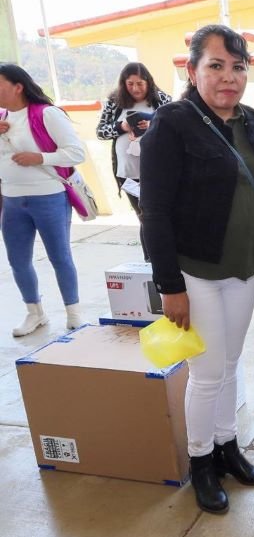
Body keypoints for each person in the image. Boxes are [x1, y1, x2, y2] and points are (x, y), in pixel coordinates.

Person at [140, 24, 254, 514]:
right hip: (195, 272)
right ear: (192, 69)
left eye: (238, 66)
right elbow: (153, 211)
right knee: (207, 373)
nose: (229, 77)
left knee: (230, 365)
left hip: (242, 269)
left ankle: (226, 448)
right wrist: (169, 286)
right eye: (216, 66)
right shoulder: (172, 124)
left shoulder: (253, 122)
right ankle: (200, 461)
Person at [0, 63, 85, 337]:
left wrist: (40, 158)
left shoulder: (46, 114)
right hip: (12, 200)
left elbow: (75, 152)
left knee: (59, 256)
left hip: (48, 197)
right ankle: (34, 312)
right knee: (18, 260)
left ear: (18, 86)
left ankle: (73, 313)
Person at [96, 62, 172, 261]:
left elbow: (175, 127)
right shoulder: (114, 102)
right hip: (128, 174)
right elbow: (101, 132)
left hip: (158, 172)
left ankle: (167, 257)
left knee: (161, 215)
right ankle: (151, 259)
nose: (136, 89)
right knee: (144, 216)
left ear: (148, 82)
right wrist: (122, 127)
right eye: (130, 84)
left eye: (140, 83)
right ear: (123, 84)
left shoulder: (161, 99)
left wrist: (154, 124)